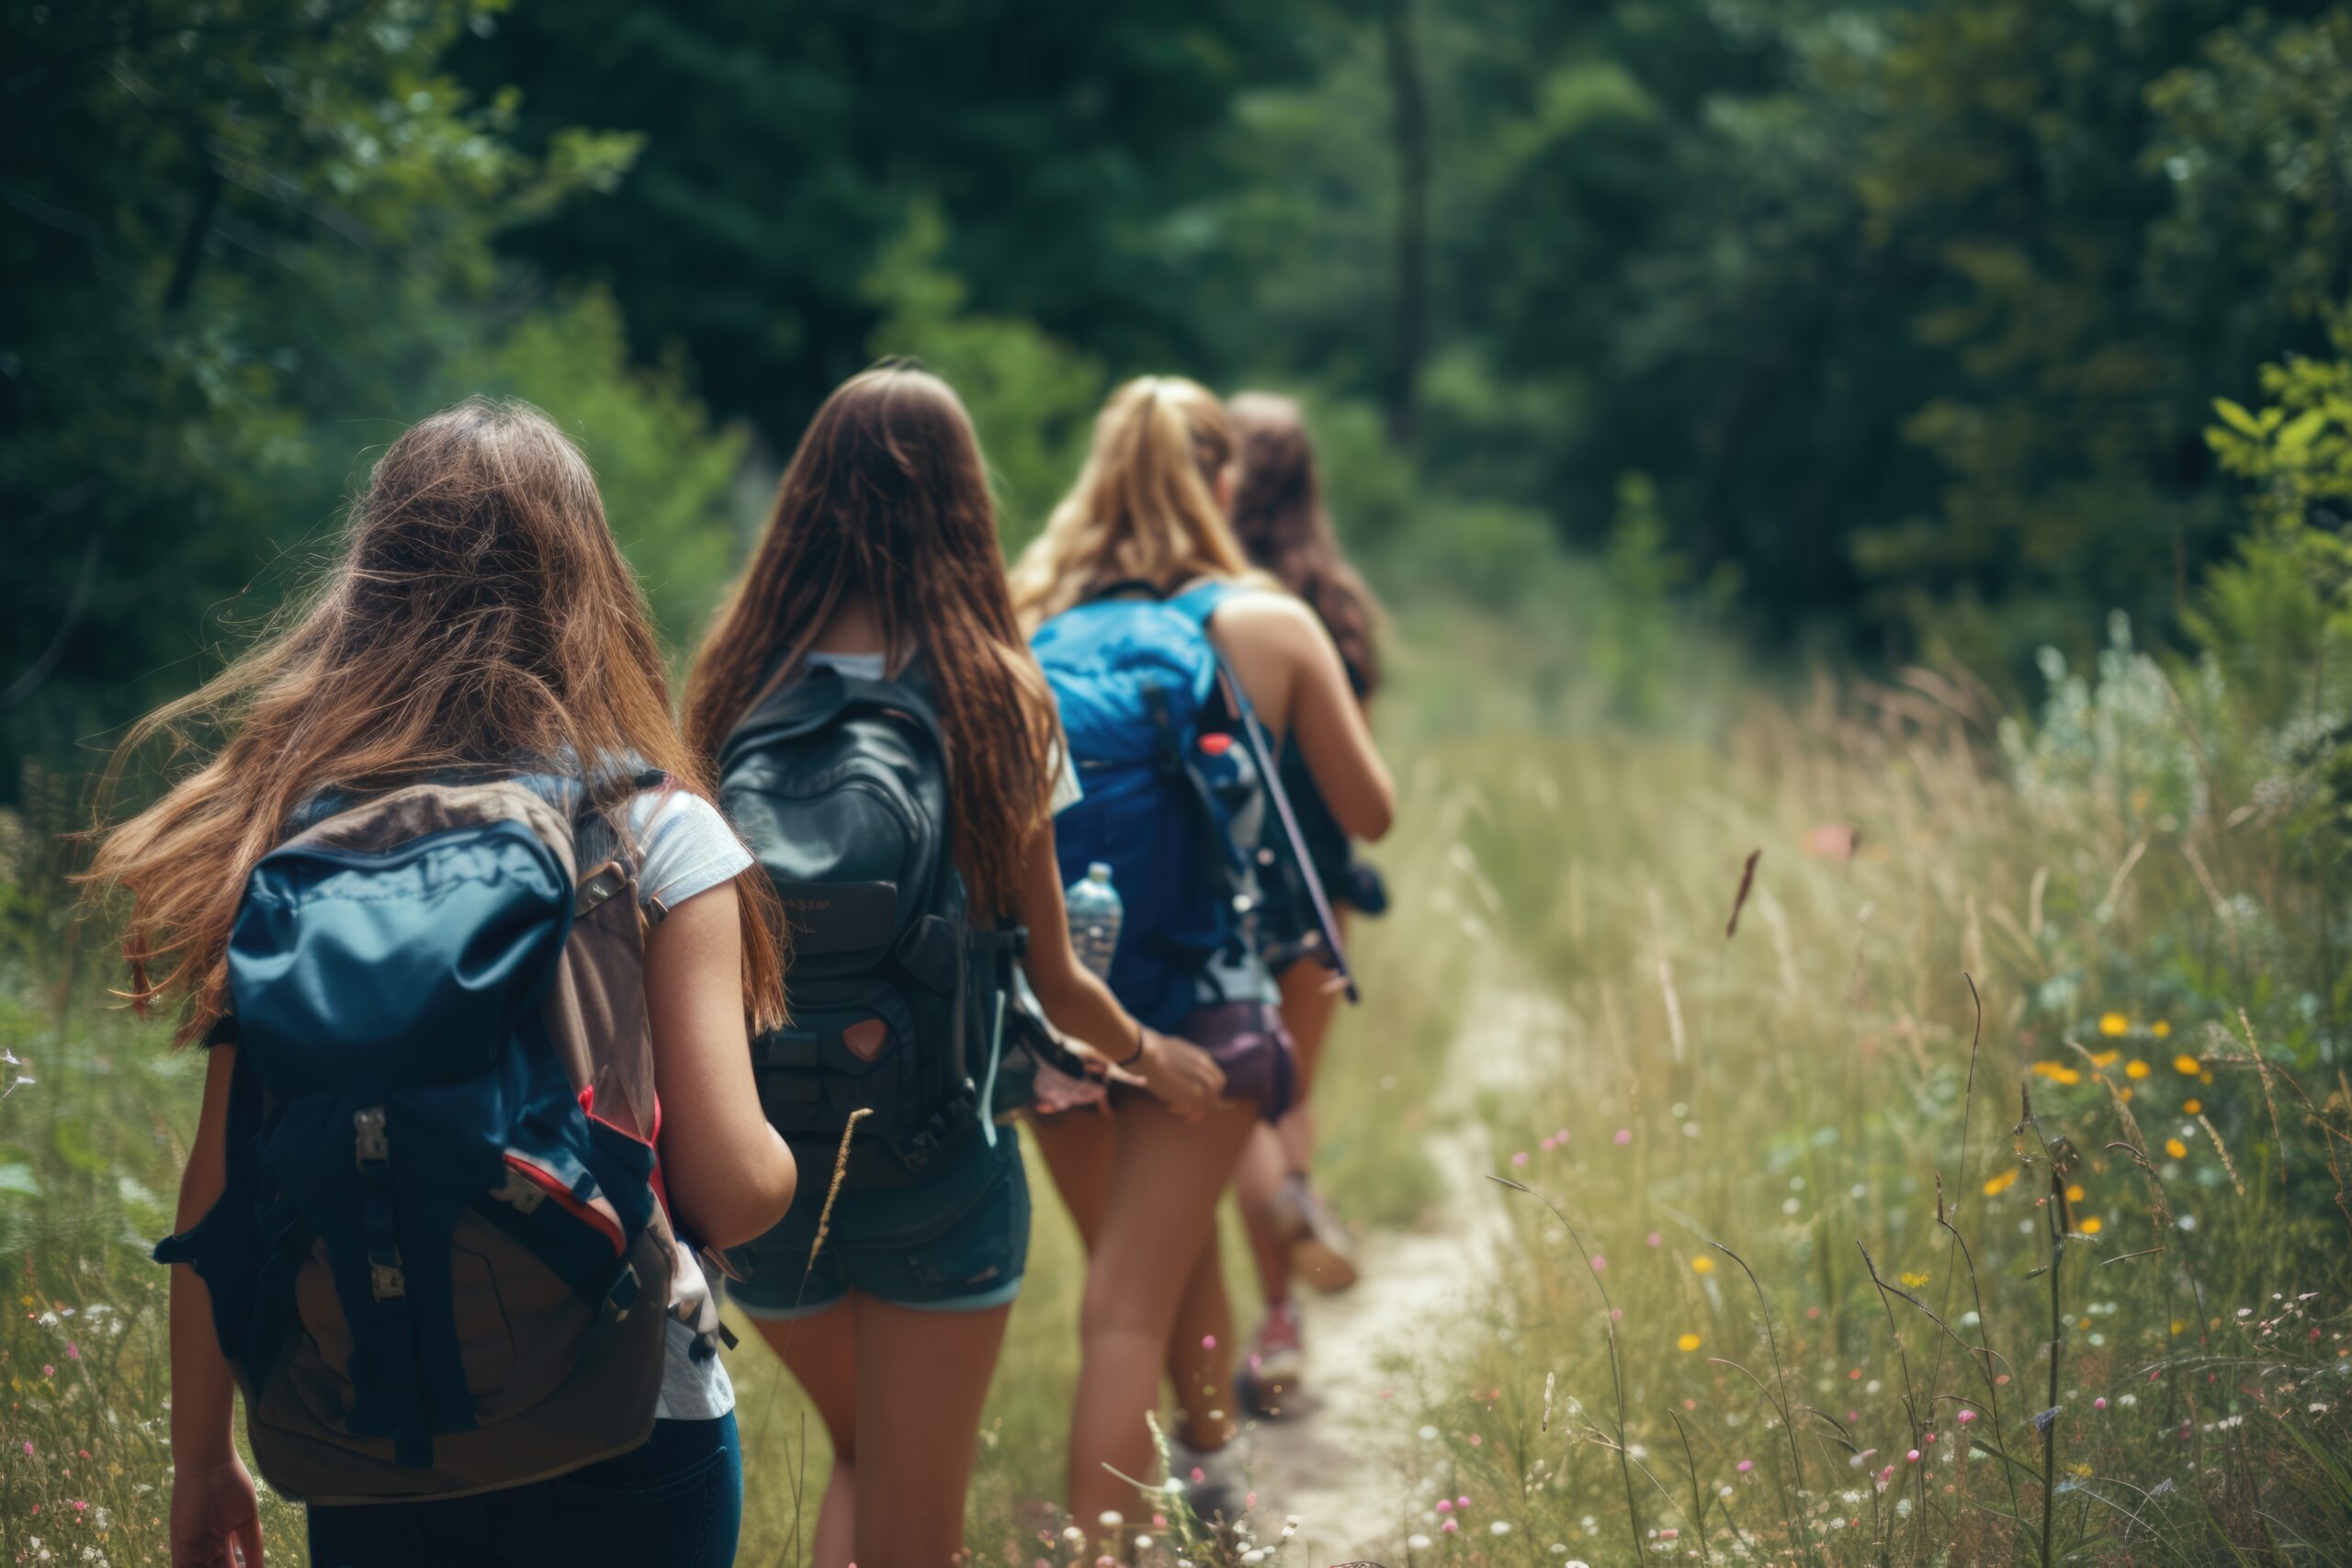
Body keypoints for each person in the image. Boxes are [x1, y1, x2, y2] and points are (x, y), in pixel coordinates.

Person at [89, 400, 798, 1568]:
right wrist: (788, 1164)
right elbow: (727, 1188)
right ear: (592, 581)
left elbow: (218, 1195)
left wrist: (203, 1460)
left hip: (371, 1416)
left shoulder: (292, 836)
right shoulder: (651, 832)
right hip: (632, 1413)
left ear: (370, 586)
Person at [684, 364, 1226, 1568]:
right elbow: (1062, 982)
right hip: (940, 1169)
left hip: (764, 1178)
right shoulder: (995, 695)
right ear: (964, 505)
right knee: (916, 1522)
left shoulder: (731, 685)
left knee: (866, 1455)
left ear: (806, 500)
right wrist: (1157, 1057)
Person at [1009, 376, 1395, 1527]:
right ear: (1222, 483)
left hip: (1058, 1004)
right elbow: (1367, 811)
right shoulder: (1267, 620)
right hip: (1211, 997)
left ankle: (1208, 1468)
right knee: (1136, 1297)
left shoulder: (1030, 624)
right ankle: (1147, 1520)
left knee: (1142, 1265)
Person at [1223, 390, 1391, 1409]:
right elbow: (1354, 780)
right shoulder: (1335, 602)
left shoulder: (1193, 600)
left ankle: (1279, 1290)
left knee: (1238, 1094)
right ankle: (1280, 1311)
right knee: (1288, 1094)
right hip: (1320, 890)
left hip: (1223, 881)